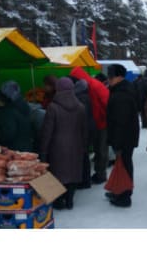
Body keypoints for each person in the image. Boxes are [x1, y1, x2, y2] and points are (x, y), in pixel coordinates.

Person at [39, 77, 88, 210]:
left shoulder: (53, 107)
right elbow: (84, 130)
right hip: (76, 146)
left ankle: (59, 202)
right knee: (72, 173)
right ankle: (70, 200)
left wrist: (43, 151)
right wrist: (84, 147)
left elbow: (47, 131)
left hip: (57, 148)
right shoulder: (80, 107)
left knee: (57, 174)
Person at [105, 64, 140, 207]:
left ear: (119, 77)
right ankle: (119, 191)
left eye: (111, 76)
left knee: (124, 166)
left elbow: (121, 121)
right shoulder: (121, 90)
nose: (109, 79)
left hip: (124, 138)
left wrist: (117, 142)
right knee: (123, 165)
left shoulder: (122, 94)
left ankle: (124, 196)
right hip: (125, 137)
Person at [70, 67, 110, 185]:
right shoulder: (89, 85)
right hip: (96, 122)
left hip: (101, 122)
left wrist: (104, 118)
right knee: (99, 148)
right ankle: (99, 172)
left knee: (101, 149)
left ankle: (101, 174)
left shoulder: (94, 86)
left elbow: (106, 103)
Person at [0, 80, 33, 152]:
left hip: (14, 150)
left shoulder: (9, 111)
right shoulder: (23, 104)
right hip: (25, 146)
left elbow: (8, 134)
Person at [72, 78, 96, 189]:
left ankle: (84, 181)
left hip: (84, 130)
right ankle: (85, 180)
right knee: (84, 155)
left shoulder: (81, 98)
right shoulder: (86, 96)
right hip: (88, 129)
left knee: (83, 156)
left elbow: (82, 117)